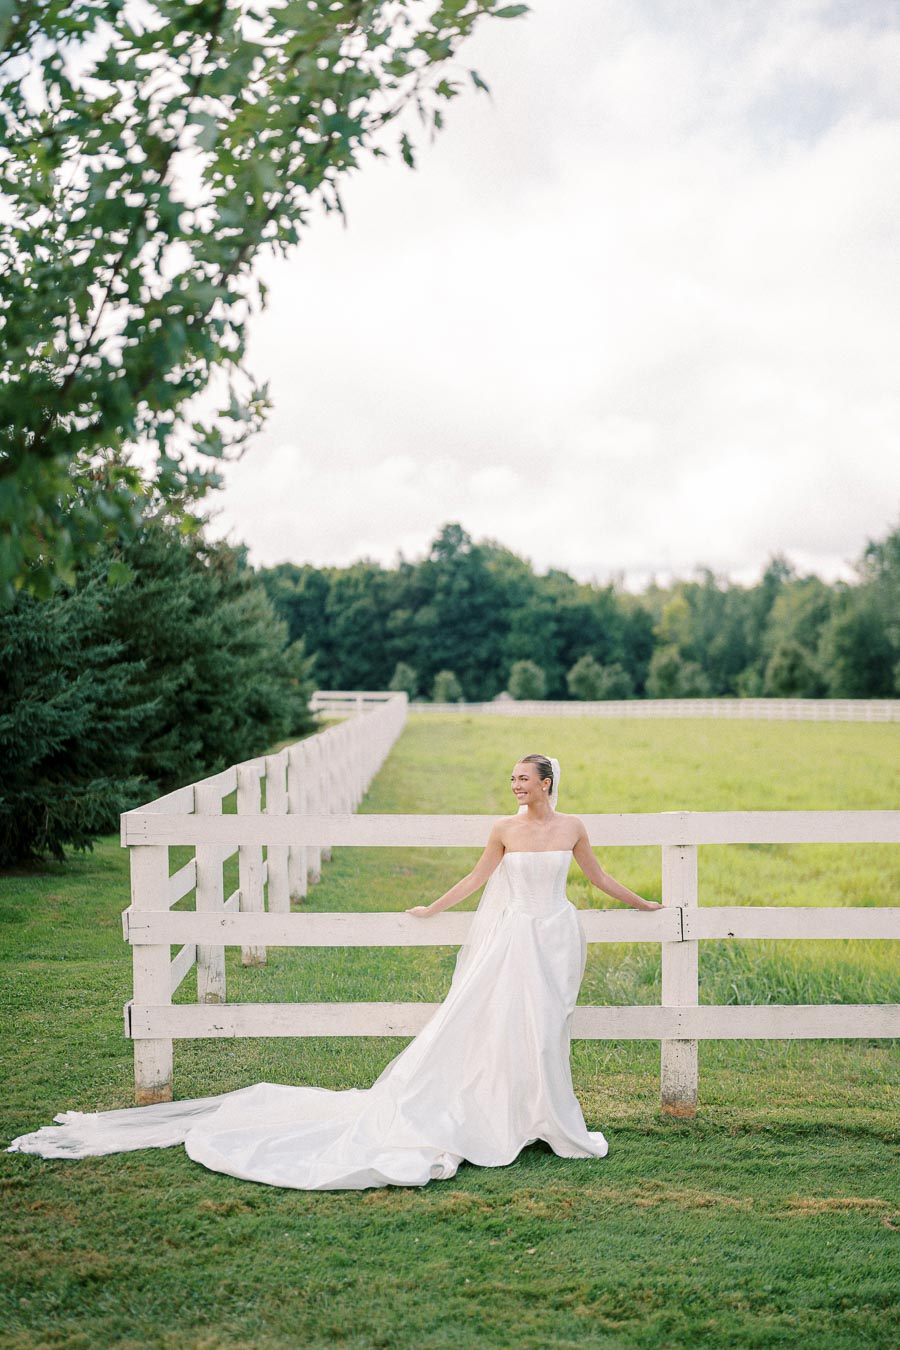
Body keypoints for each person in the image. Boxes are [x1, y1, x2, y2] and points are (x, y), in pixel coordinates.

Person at [9, 754, 661, 1190]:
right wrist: (432, 906)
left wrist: (645, 903)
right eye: (513, 779)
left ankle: (545, 1117)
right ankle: (508, 1116)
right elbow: (476, 879)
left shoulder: (573, 827)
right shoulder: (502, 829)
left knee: (546, 1030)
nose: (515, 785)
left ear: (547, 783)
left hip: (552, 939)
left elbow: (598, 879)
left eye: (525, 779)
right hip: (511, 943)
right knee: (496, 1027)